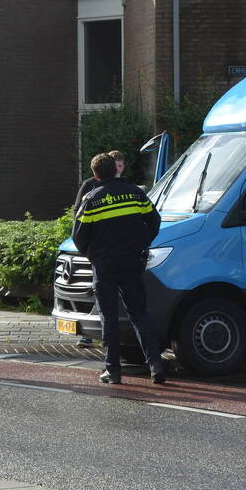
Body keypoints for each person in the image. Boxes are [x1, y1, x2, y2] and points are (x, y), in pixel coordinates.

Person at [73, 153, 166, 385]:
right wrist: (141, 244)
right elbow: (154, 221)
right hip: (132, 262)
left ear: (95, 175)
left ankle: (113, 371)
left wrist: (93, 255)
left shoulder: (91, 199)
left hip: (104, 265)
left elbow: (78, 237)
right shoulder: (135, 193)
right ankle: (155, 365)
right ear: (115, 170)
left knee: (109, 316)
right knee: (139, 314)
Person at [72, 151, 126, 347]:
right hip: (101, 254)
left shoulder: (126, 188)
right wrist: (90, 252)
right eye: (116, 166)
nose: (119, 169)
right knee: (100, 297)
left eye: (121, 166)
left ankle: (113, 353)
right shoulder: (90, 188)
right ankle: (90, 334)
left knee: (111, 302)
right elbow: (78, 217)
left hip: (111, 255)